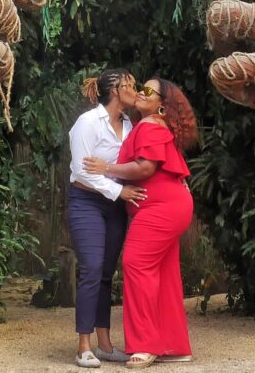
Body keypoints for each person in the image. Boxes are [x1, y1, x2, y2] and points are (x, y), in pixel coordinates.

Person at [84, 78, 197, 370]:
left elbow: (145, 167)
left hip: (161, 209)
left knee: (136, 264)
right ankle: (173, 346)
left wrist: (105, 167)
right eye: (140, 88)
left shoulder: (149, 126)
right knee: (163, 273)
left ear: (162, 105)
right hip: (167, 206)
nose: (141, 93)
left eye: (148, 90)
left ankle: (145, 345)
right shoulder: (148, 126)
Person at [68, 69, 145, 368]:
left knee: (106, 273)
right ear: (116, 89)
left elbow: (135, 165)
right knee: (91, 268)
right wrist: (119, 190)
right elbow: (83, 170)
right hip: (86, 201)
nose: (136, 90)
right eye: (131, 85)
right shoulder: (87, 123)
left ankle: (104, 344)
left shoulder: (129, 124)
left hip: (113, 205)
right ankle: (83, 345)